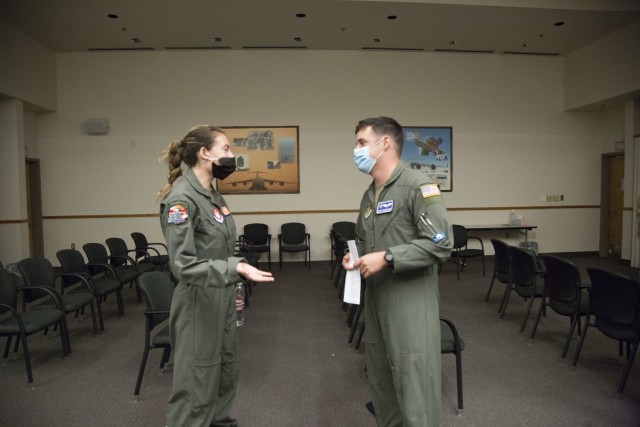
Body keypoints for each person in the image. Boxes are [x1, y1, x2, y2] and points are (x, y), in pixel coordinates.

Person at [158, 125, 274, 427]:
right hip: (198, 303)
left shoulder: (213, 195)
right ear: (204, 153)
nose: (231, 155)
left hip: (220, 297)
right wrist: (232, 268)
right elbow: (182, 264)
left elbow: (217, 248)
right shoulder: (181, 199)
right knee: (197, 385)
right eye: (225, 149)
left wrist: (231, 282)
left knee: (224, 372)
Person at [342, 117, 453, 426]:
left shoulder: (417, 185)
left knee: (415, 385)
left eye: (362, 143)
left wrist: (388, 257)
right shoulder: (370, 195)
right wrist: (357, 259)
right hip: (378, 301)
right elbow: (370, 245)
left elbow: (442, 243)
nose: (357, 150)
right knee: (381, 380)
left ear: (385, 143)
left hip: (410, 302)